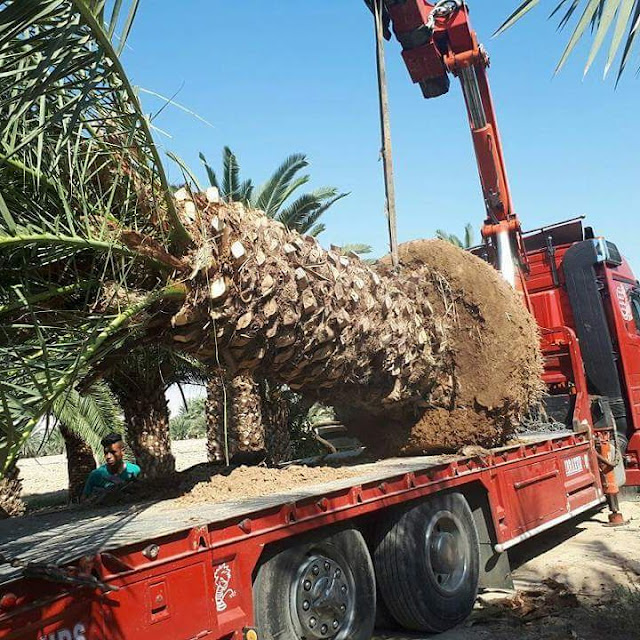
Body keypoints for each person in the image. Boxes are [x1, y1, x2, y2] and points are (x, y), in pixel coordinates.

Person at [82, 432, 140, 499]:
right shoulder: (95, 475)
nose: (108, 456)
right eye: (106, 453)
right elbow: (84, 502)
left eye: (113, 452)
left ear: (122, 451)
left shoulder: (135, 470)